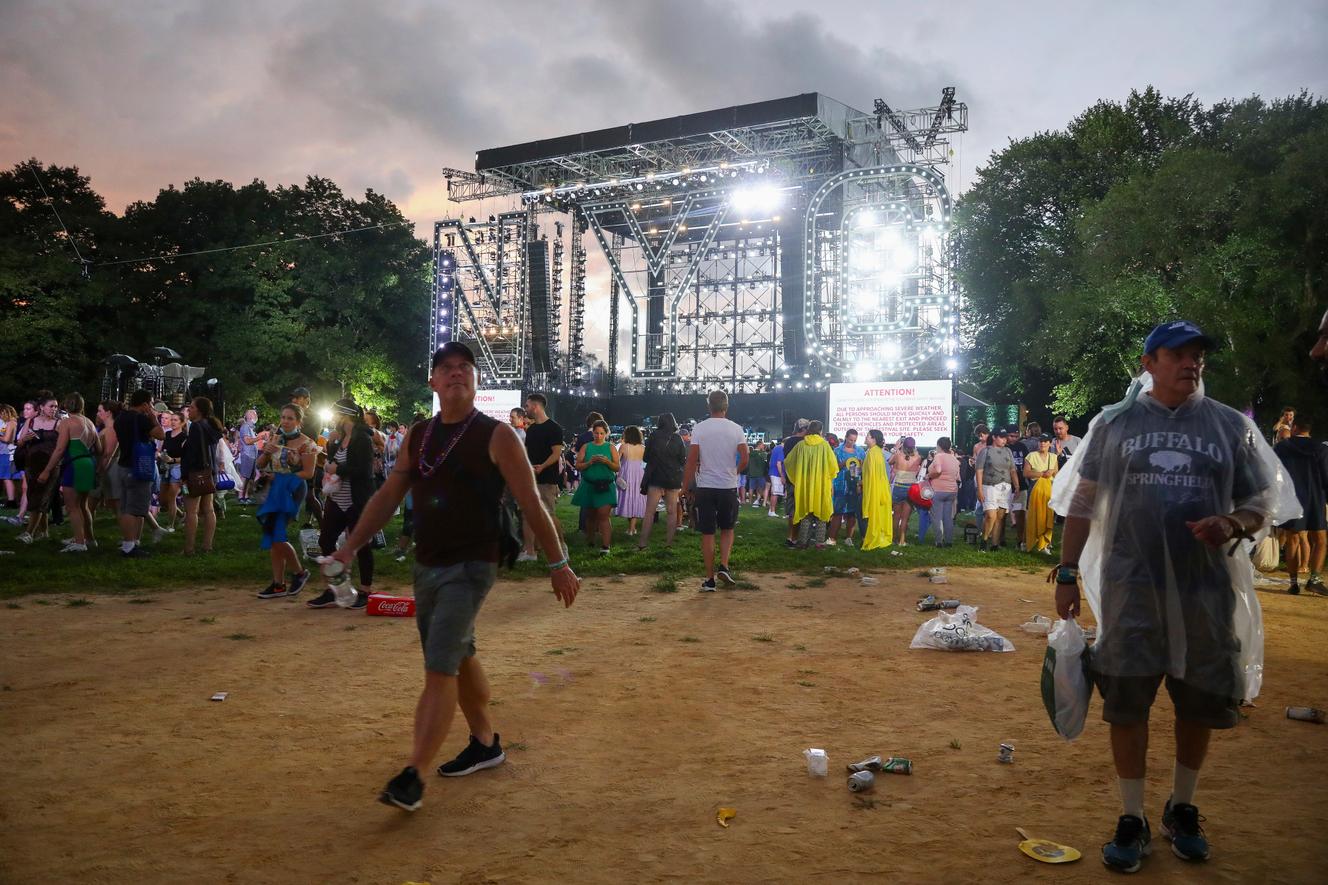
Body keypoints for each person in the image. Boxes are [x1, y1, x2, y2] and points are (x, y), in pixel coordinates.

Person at [1051, 319, 1297, 873]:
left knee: (1200, 697)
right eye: (1179, 355)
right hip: (1131, 587)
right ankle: (1132, 816)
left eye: (1198, 357)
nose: (1192, 364)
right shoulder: (1113, 426)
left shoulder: (1230, 427)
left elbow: (1266, 502)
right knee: (1127, 702)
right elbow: (1083, 503)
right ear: (1149, 364)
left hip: (1204, 589)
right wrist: (1067, 574)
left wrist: (1233, 523)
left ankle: (1182, 807)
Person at [323, 342, 578, 813]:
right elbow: (387, 496)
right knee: (458, 654)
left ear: (476, 380)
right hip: (428, 562)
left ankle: (413, 775)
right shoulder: (419, 435)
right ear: (434, 382)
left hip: (473, 564)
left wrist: (558, 563)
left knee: (439, 665)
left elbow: (531, 504)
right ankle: (486, 742)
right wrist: (351, 544)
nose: (457, 374)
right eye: (447, 368)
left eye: (465, 368)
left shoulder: (498, 435)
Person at [309, 399, 377, 607]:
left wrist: (336, 469)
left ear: (345, 415)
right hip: (337, 498)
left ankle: (365, 591)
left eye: (335, 414)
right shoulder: (338, 439)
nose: (333, 418)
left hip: (356, 499)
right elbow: (334, 464)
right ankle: (333, 587)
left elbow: (364, 471)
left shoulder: (363, 439)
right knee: (326, 540)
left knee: (362, 545)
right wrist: (324, 459)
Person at [683, 390, 748, 589]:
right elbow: (745, 457)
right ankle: (724, 566)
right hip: (727, 486)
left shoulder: (700, 429)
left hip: (705, 486)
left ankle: (710, 579)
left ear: (708, 406)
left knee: (708, 532)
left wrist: (685, 486)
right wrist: (734, 472)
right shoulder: (736, 429)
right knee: (728, 529)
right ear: (726, 406)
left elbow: (692, 460)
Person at [254, 403, 318, 599]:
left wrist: (290, 466)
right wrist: (267, 451)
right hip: (275, 489)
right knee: (274, 536)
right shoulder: (276, 438)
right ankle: (278, 583)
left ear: (299, 421)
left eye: (290, 418)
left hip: (292, 488)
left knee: (277, 534)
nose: (285, 421)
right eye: (283, 417)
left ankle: (299, 573)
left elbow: (308, 473)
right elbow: (259, 464)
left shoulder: (307, 443)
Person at [37, 393, 100, 551]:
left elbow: (59, 449)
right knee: (83, 505)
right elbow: (99, 449)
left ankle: (79, 543)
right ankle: (89, 539)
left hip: (75, 464)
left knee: (73, 507)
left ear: (66, 405)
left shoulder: (67, 422)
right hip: (88, 463)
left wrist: (46, 471)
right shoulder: (90, 422)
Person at [105, 389, 164, 557]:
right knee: (133, 509)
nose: (152, 406)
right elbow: (160, 435)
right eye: (151, 403)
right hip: (138, 467)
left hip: (123, 465)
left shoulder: (121, 418)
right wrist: (153, 418)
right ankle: (129, 545)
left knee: (129, 508)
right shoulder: (141, 419)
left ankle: (133, 542)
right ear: (144, 404)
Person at [1274, 417, 1327, 595]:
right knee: (1320, 539)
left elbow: (1273, 471)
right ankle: (1315, 579)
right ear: (1309, 430)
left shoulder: (1282, 447)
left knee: (1293, 539)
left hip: (1291, 498)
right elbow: (1326, 475)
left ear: (1294, 427)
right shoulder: (1321, 448)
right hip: (1315, 497)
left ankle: (1294, 582)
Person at [519, 393, 566, 562]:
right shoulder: (531, 430)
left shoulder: (554, 428)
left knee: (549, 514)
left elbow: (556, 453)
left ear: (536, 406)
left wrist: (542, 466)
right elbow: (527, 452)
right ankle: (530, 552)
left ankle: (562, 546)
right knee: (527, 514)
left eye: (527, 406)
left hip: (547, 479)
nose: (525, 409)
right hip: (531, 478)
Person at [181, 396, 225, 556]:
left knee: (191, 512)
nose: (189, 410)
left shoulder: (196, 427)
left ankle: (189, 548)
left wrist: (185, 475)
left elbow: (194, 453)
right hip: (210, 472)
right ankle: (207, 546)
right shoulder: (211, 426)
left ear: (199, 410)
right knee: (208, 509)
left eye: (191, 408)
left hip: (196, 473)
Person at [14, 392, 60, 543]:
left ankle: (29, 534)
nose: (54, 409)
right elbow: (19, 443)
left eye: (56, 406)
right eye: (51, 406)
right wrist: (25, 439)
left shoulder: (59, 423)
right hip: (31, 465)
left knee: (40, 499)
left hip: (50, 465)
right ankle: (44, 532)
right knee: (34, 496)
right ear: (41, 407)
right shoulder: (32, 421)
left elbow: (61, 447)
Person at [636, 413, 687, 550]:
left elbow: (646, 458)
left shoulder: (654, 436)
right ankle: (668, 544)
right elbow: (683, 460)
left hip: (656, 477)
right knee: (671, 512)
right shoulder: (678, 438)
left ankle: (642, 543)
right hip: (673, 479)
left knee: (649, 512)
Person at [784, 419, 836, 549]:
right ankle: (819, 542)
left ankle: (802, 542)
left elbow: (788, 462)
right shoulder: (824, 445)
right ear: (820, 431)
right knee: (821, 514)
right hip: (821, 485)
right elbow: (832, 466)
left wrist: (797, 477)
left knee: (805, 514)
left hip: (804, 485)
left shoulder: (801, 445)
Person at [572, 419, 619, 554]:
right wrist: (589, 463)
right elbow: (578, 465)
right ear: (592, 433)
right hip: (589, 485)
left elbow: (617, 467)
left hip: (606, 485)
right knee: (591, 515)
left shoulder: (610, 447)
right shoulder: (586, 447)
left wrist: (607, 462)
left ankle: (605, 546)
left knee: (604, 515)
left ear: (606, 434)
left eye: (601, 433)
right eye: (596, 433)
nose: (598, 436)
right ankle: (590, 539)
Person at [975, 429, 1019, 552]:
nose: (1005, 440)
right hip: (989, 485)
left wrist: (1017, 485)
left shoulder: (1008, 451)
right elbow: (979, 471)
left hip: (1006, 486)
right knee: (991, 515)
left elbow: (1012, 469)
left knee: (1000, 516)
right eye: (1002, 437)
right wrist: (979, 489)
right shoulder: (985, 451)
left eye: (1006, 437)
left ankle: (995, 544)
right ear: (994, 437)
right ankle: (984, 540)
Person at [1023, 434, 1058, 554]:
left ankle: (1045, 544)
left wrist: (1052, 471)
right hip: (1035, 489)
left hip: (1049, 489)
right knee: (1032, 516)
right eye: (1041, 441)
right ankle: (1028, 542)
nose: (1042, 443)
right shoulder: (1031, 456)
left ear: (1049, 443)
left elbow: (1056, 475)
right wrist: (1042, 474)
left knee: (1048, 516)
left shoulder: (1053, 457)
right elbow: (1026, 473)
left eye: (1045, 441)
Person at [828, 429, 864, 546]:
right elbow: (832, 468)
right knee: (838, 512)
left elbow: (862, 469)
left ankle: (849, 538)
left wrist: (860, 465)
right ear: (846, 437)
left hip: (853, 485)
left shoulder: (860, 451)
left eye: (854, 440)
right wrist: (843, 463)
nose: (852, 442)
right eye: (850, 440)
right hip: (840, 484)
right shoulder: (837, 451)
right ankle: (832, 538)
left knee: (851, 513)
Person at [860, 429, 893, 550]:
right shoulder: (877, 452)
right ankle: (878, 537)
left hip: (873, 489)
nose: (866, 437)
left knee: (870, 514)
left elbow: (871, 475)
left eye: (868, 436)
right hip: (879, 488)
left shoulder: (872, 453)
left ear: (874, 439)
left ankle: (871, 538)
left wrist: (862, 484)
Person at [926, 436, 961, 547]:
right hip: (952, 491)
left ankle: (939, 541)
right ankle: (949, 541)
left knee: (936, 516)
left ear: (939, 446)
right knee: (948, 517)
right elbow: (957, 477)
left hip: (938, 489)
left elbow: (938, 470)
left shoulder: (939, 456)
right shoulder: (954, 459)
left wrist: (928, 475)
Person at [781, 418, 810, 547]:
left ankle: (790, 537)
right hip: (803, 480)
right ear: (803, 429)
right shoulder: (805, 443)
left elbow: (786, 460)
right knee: (801, 510)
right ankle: (797, 537)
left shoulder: (788, 442)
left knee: (792, 510)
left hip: (790, 479)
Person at [614, 425, 647, 537]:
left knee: (627, 497)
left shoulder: (623, 446)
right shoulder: (643, 447)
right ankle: (632, 528)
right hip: (639, 474)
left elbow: (616, 461)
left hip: (626, 473)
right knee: (636, 498)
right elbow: (645, 463)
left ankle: (631, 528)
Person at [889, 436, 922, 547]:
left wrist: (896, 449)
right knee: (905, 517)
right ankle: (902, 541)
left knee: (896, 515)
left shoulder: (898, 455)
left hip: (898, 486)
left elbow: (890, 461)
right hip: (910, 488)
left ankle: (894, 538)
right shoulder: (917, 457)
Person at [159, 410, 187, 530]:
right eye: (172, 420)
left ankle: (170, 525)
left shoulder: (184, 437)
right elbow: (162, 450)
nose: (172, 422)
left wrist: (173, 460)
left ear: (182, 423)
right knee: (163, 499)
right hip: (165, 467)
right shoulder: (167, 435)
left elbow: (186, 457)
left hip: (177, 468)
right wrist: (161, 456)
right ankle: (182, 515)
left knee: (171, 497)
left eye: (175, 420)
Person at [237, 408, 260, 504]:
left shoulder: (250, 428)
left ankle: (245, 497)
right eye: (254, 415)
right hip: (247, 454)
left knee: (249, 478)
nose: (256, 416)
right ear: (249, 416)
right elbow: (247, 441)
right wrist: (260, 437)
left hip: (252, 455)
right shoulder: (245, 427)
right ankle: (240, 497)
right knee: (244, 477)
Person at [0, 404, 18, 508]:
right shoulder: (7, 423)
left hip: (7, 453)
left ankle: (11, 501)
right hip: (4, 452)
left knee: (7, 478)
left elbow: (7, 439)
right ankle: (10, 500)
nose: (1, 415)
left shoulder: (11, 422)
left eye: (2, 413)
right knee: (6, 477)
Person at [745, 441, 769, 509]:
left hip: (752, 474)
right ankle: (758, 500)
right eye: (763, 445)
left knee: (751, 488)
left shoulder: (750, 453)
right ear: (759, 445)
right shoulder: (762, 454)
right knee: (761, 488)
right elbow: (765, 464)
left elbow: (747, 463)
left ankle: (750, 502)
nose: (763, 446)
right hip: (760, 474)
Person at [766, 438, 785, 518]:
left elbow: (770, 462)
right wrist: (782, 475)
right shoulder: (781, 449)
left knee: (774, 492)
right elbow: (778, 463)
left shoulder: (775, 448)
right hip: (777, 474)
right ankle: (772, 511)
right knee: (775, 493)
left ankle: (771, 510)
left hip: (772, 472)